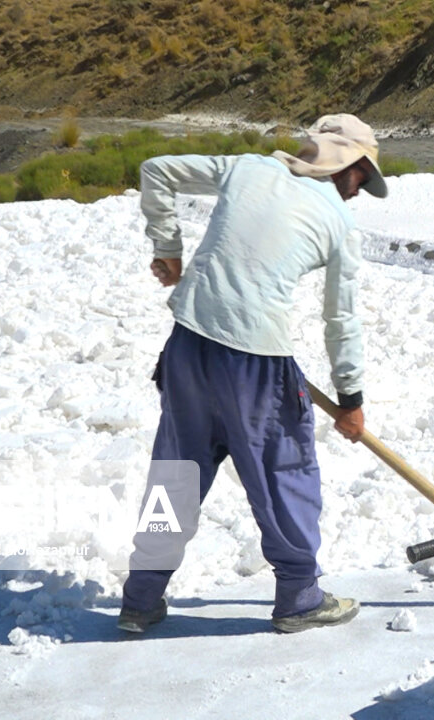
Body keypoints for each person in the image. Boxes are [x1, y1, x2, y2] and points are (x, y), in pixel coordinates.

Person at [117, 114, 388, 634]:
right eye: (363, 178)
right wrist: (350, 400)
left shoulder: (248, 168)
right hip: (256, 365)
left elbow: (157, 169)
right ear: (349, 167)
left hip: (188, 344)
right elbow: (341, 320)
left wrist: (167, 250)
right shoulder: (338, 223)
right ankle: (300, 597)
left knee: (175, 474)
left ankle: (141, 598)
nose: (359, 192)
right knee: (284, 472)